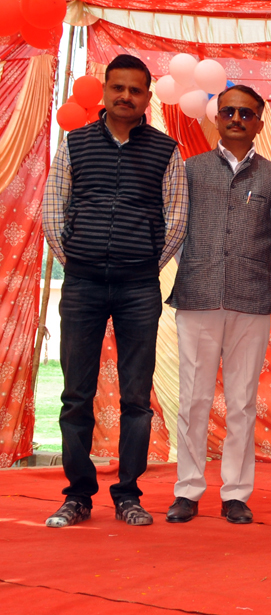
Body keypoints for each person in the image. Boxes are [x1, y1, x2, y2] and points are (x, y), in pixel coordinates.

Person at [41, 54, 188, 528]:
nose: (126, 96)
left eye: (135, 90)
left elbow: (176, 219)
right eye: (117, 88)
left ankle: (128, 495)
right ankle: (78, 496)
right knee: (75, 395)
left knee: (136, 398)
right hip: (82, 284)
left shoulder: (166, 150)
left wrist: (142, 264)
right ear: (104, 92)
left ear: (147, 97)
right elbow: (54, 210)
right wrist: (79, 261)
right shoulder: (75, 143)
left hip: (138, 288)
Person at [164, 85, 271, 526]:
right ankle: (188, 489)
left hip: (250, 299)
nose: (237, 118)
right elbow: (176, 231)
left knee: (241, 403)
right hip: (197, 296)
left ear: (259, 121)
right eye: (229, 111)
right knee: (194, 398)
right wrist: (203, 266)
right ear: (217, 118)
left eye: (247, 113)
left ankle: (236, 493)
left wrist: (243, 271)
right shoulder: (190, 169)